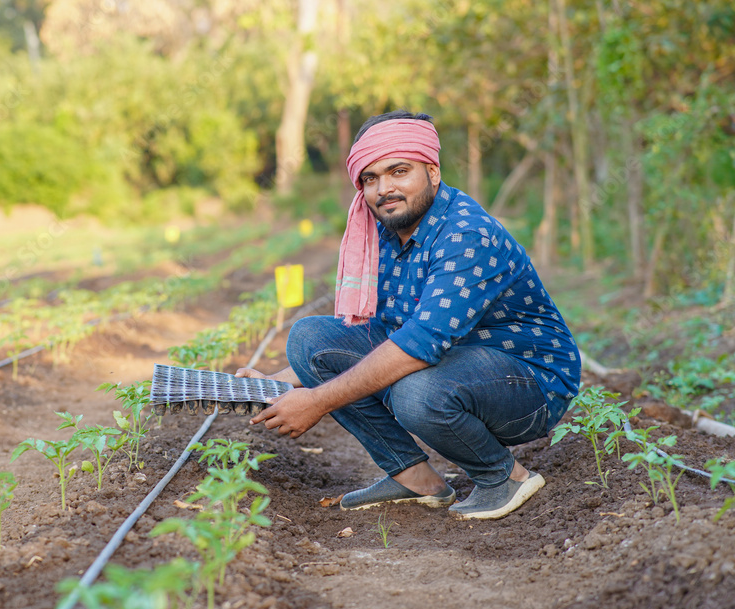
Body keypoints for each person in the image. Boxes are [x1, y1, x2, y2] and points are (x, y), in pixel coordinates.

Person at [236, 110, 581, 520]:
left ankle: (503, 477)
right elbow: (386, 333)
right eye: (370, 178)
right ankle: (414, 477)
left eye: (399, 171)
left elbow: (417, 346)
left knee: (414, 391)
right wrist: (278, 386)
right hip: (457, 365)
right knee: (309, 338)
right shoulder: (382, 233)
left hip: (528, 383)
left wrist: (316, 401)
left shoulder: (465, 234)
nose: (385, 188)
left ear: (432, 171)